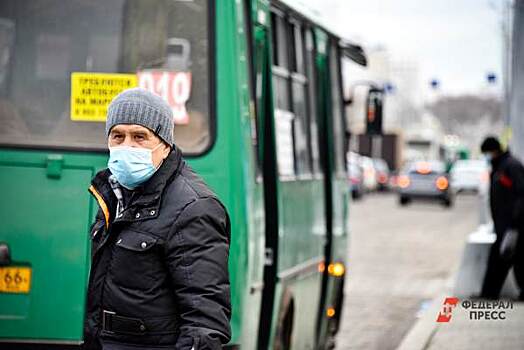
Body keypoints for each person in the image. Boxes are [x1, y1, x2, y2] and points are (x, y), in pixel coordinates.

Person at [84, 88, 231, 350]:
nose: (126, 146)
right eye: (117, 136)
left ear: (165, 144)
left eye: (140, 136)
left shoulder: (194, 208)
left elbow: (204, 322)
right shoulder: (114, 195)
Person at [480, 136, 524, 299]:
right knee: (511, 260)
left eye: (487, 153)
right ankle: (489, 294)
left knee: (500, 260)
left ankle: (488, 294)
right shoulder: (500, 167)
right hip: (504, 225)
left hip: (513, 225)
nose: (486, 156)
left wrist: (515, 223)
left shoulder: (511, 166)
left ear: (494, 150)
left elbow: (521, 195)